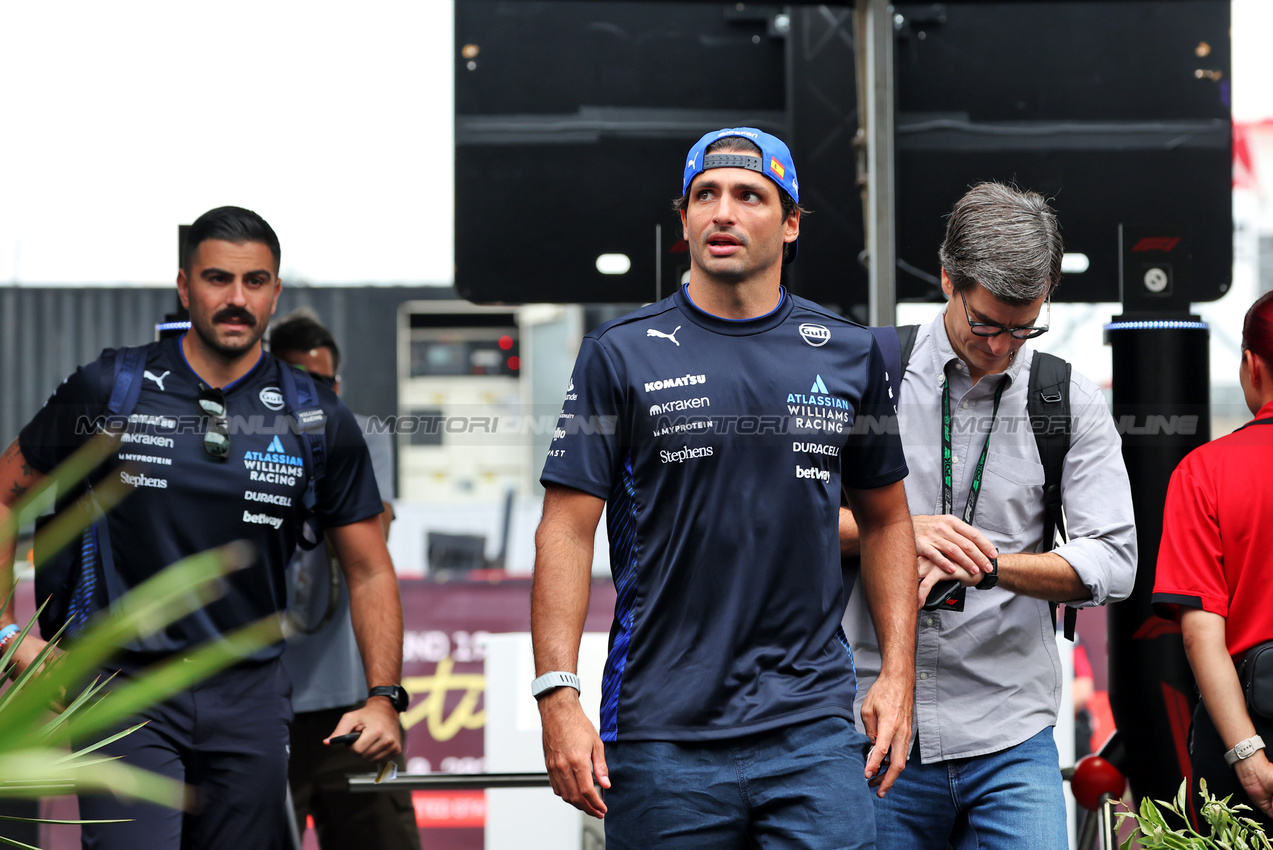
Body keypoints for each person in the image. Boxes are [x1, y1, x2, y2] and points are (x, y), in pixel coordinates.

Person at [530, 127, 918, 849]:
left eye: (749, 195)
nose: (723, 212)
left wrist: (897, 673)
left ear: (791, 222)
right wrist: (557, 693)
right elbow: (563, 530)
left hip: (811, 728)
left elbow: (889, 522)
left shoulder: (849, 352)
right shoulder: (618, 353)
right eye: (704, 195)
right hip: (659, 731)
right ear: (683, 219)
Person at [0, 207, 408, 850]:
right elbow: (5, 497)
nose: (236, 299)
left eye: (255, 281)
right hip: (124, 692)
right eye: (218, 279)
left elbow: (370, 566)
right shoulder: (114, 387)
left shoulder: (317, 416)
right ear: (186, 287)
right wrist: (6, 636)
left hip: (250, 696)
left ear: (275, 291)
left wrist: (385, 696)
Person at [840, 182, 1137, 849]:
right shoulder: (866, 372)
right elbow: (785, 520)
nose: (1002, 346)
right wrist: (895, 532)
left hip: (1009, 734)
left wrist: (992, 567)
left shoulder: (1066, 398)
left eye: (1023, 327)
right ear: (948, 278)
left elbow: (1112, 561)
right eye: (986, 323)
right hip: (871, 724)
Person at [269, 309, 421, 850]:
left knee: (386, 837)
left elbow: (370, 538)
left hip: (351, 702)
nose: (314, 396)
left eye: (325, 383)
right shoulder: (248, 442)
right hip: (266, 707)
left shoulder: (361, 436)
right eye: (299, 382)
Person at [1152, 290, 1273, 830]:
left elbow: (1202, 633)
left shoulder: (1203, 473)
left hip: (1247, 733)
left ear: (1251, 364)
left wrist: (1249, 762)